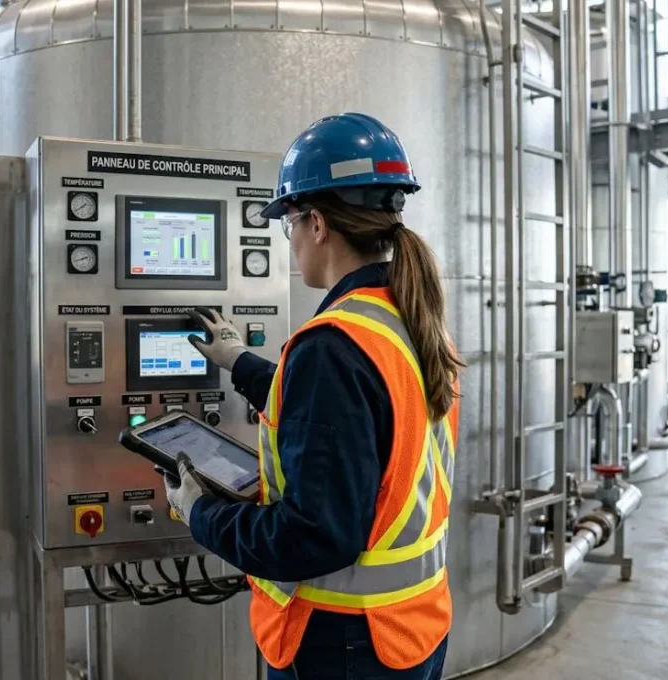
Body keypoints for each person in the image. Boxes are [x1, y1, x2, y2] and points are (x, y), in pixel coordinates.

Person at [161, 113, 464, 679]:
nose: (292, 240)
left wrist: (199, 512)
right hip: (411, 627)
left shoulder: (331, 346)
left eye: (289, 223)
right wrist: (239, 361)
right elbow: (355, 417)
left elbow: (310, 538)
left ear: (317, 224)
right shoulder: (407, 320)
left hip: (343, 642)